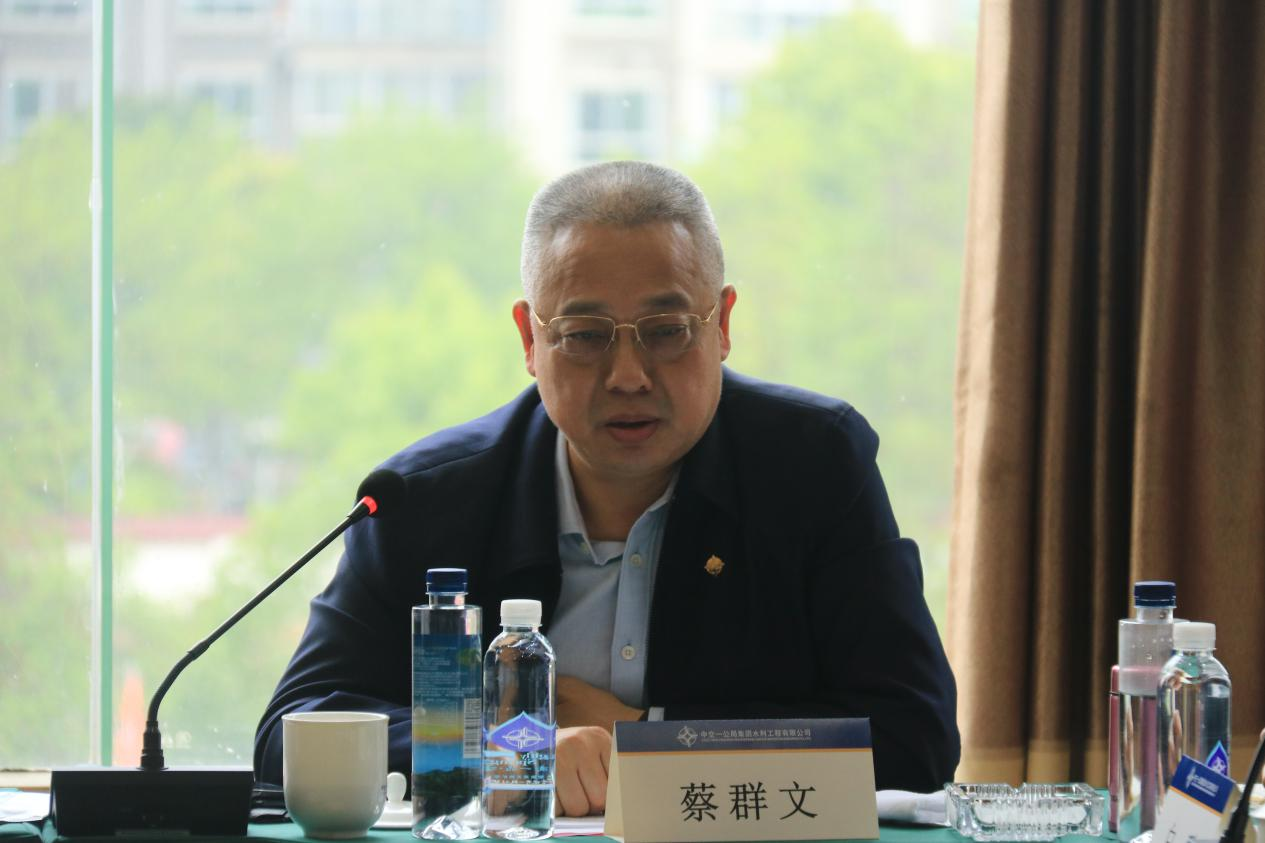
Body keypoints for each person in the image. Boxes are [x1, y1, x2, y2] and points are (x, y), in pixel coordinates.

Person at [254, 161, 959, 814]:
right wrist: (508, 751)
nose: (628, 375)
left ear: (722, 325)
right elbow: (292, 732)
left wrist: (642, 737)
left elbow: (914, 738)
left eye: (667, 330)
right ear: (530, 339)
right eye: (586, 335)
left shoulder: (811, 466)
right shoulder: (425, 498)